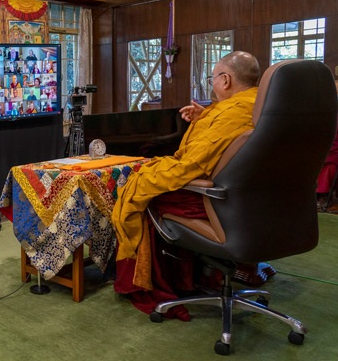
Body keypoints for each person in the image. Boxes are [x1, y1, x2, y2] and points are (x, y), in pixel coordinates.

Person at [112, 51, 261, 317]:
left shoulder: (231, 113)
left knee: (142, 192)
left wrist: (147, 172)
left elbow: (191, 166)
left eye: (213, 78)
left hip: (217, 200)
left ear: (225, 80)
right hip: (254, 202)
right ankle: (198, 275)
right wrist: (207, 118)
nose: (212, 84)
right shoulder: (259, 105)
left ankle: (163, 284)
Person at [317, 78, 338, 206]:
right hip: (323, 144)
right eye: (335, 92)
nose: (337, 95)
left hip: (336, 147)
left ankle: (324, 195)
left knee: (330, 164)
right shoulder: (327, 109)